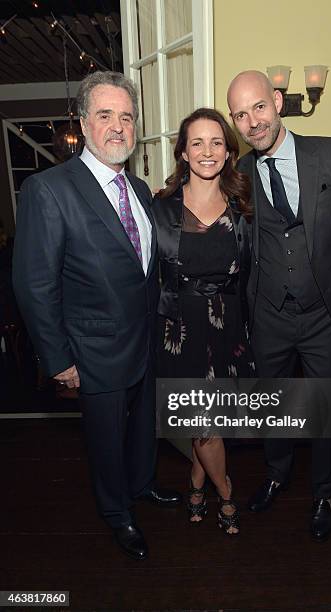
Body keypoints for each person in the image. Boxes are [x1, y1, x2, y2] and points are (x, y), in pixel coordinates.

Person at [12, 71, 181, 561]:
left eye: (126, 117)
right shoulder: (50, 190)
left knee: (143, 427)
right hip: (94, 349)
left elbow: (144, 268)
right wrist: (59, 358)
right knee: (106, 441)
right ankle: (116, 513)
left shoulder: (142, 190)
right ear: (84, 124)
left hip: (145, 341)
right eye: (105, 115)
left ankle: (143, 485)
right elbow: (34, 284)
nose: (118, 127)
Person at [227, 70, 331, 541]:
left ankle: (324, 492)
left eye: (258, 107)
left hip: (325, 315)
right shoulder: (241, 175)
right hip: (270, 314)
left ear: (277, 101)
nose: (252, 121)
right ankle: (276, 473)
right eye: (240, 114)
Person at [152, 108, 254, 535]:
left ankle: (196, 485)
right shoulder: (160, 208)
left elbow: (253, 273)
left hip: (228, 326)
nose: (207, 151)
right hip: (181, 329)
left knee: (210, 421)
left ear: (230, 152)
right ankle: (226, 492)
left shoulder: (243, 208)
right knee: (204, 425)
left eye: (217, 142)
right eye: (197, 142)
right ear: (183, 152)